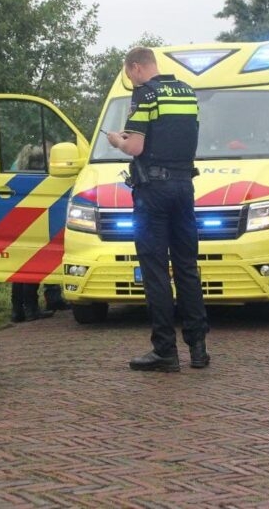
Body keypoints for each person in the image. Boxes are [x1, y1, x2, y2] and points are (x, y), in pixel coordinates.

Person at [106, 47, 209, 372]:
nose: (130, 80)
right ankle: (198, 349)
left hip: (153, 192)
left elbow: (135, 146)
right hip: (184, 187)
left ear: (136, 67)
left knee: (156, 270)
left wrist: (117, 141)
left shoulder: (145, 94)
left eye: (129, 74)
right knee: (187, 268)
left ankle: (165, 351)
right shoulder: (187, 92)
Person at [9, 144, 56, 322]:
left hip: (15, 221)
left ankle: (16, 310)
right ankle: (31, 309)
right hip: (34, 221)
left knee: (18, 267)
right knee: (32, 265)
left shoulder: (14, 172)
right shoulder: (39, 174)